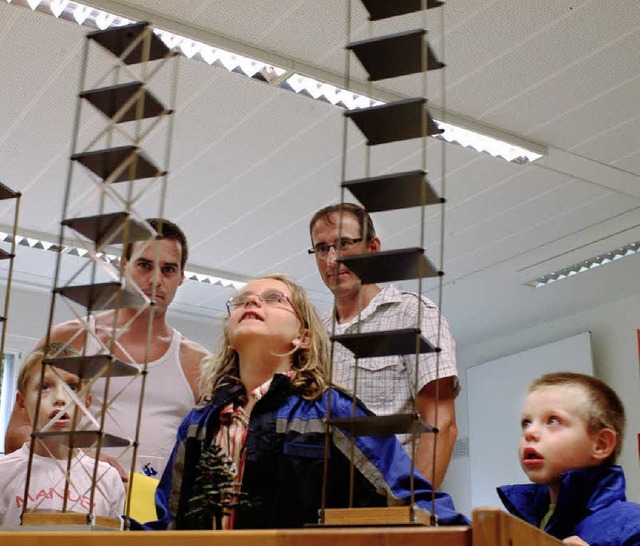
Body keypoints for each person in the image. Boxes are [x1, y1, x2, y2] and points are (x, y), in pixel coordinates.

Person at [143, 273, 468, 530]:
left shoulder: (332, 411)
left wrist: (477, 536)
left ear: (303, 337)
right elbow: (169, 522)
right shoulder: (199, 422)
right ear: (229, 339)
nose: (252, 301)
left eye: (273, 298)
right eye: (241, 300)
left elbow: (410, 497)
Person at [4, 218, 210, 479]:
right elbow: (16, 434)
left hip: (155, 514)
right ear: (123, 267)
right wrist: (79, 459)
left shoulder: (198, 364)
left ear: (181, 277)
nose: (156, 280)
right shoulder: (70, 339)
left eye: (168, 269)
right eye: (144, 265)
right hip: (71, 508)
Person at [309, 203, 459, 488]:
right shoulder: (315, 335)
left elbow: (441, 424)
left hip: (388, 500)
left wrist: (411, 509)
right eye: (322, 248)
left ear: (373, 247)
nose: (332, 260)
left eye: (344, 244)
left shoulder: (413, 315)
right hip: (324, 504)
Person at [497, 372, 640, 546]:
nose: (529, 432)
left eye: (553, 421)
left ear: (601, 444)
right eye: (526, 422)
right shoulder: (524, 527)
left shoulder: (633, 525)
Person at [0, 344, 125, 528]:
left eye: (73, 387)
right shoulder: (4, 473)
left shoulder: (107, 478)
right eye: (44, 386)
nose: (60, 398)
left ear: (86, 403)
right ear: (22, 403)